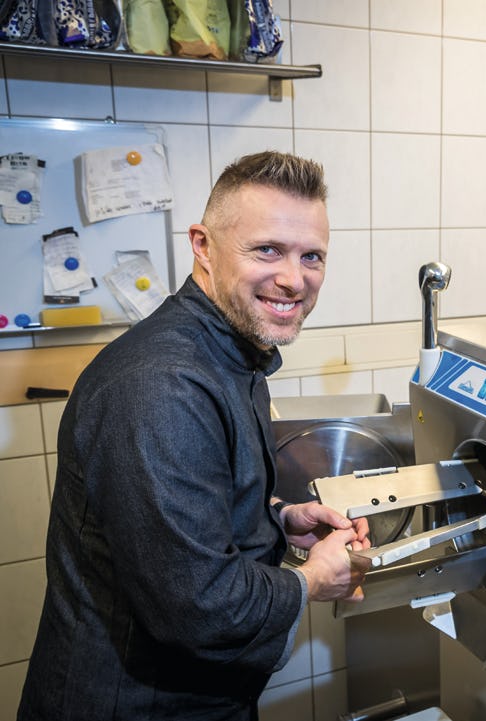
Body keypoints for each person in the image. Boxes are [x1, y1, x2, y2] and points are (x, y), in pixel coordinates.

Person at [18, 151, 371, 721]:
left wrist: (279, 518)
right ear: (202, 246)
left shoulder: (234, 349)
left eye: (312, 256)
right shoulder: (161, 387)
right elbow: (201, 606)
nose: (294, 278)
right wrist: (311, 581)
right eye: (267, 250)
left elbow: (197, 503)